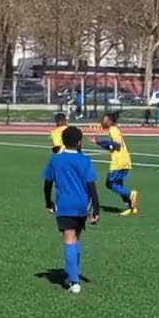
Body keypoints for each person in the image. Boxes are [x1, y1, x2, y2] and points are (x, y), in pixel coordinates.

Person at [43, 125, 101, 294]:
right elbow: (92, 187)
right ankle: (72, 274)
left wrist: (48, 202)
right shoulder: (85, 160)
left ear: (62, 141)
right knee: (76, 238)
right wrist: (96, 210)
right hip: (82, 205)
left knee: (69, 239)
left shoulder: (56, 159)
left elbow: (47, 184)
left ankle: (74, 281)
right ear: (79, 142)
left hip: (65, 205)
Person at [90, 112, 138, 216]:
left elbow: (117, 145)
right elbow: (112, 146)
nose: (103, 121)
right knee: (119, 185)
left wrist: (102, 142)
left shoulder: (113, 130)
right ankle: (131, 208)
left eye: (105, 119)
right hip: (124, 161)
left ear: (110, 121)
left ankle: (130, 194)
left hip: (119, 162)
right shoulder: (113, 130)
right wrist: (99, 143)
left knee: (110, 184)